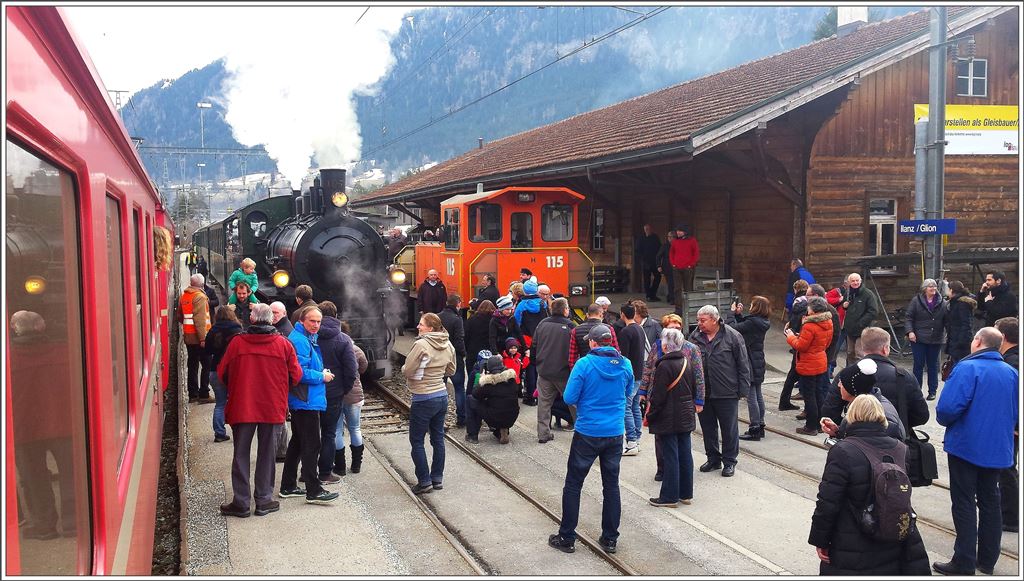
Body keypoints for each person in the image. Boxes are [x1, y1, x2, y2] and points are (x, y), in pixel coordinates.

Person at [808, 395, 931, 575]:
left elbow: (828, 502)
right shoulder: (901, 449)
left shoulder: (842, 451)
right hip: (893, 536)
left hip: (851, 542)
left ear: (852, 416)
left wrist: (820, 540)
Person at [934, 327, 1019, 576]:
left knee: (964, 502)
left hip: (967, 446)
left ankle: (964, 560)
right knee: (991, 501)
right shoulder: (1011, 372)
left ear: (978, 342)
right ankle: (987, 560)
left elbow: (948, 408)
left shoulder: (967, 368)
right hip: (997, 447)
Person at [548, 324, 634, 555]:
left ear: (594, 343)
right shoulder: (625, 364)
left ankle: (567, 537)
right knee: (611, 486)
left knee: (574, 484)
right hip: (615, 433)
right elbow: (627, 392)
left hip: (588, 432)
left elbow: (569, 397)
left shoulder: (584, 364)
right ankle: (610, 538)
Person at [217, 303, 303, 518]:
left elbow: (222, 373)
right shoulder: (283, 345)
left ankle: (241, 502)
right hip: (272, 407)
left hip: (242, 406)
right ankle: (264, 500)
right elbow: (296, 376)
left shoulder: (237, 343)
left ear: (252, 320)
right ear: (272, 320)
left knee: (241, 455)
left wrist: (238, 386)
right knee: (267, 454)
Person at [280, 305, 339, 505]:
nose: (316, 325)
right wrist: (322, 376)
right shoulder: (301, 341)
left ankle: (287, 486)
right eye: (312, 321)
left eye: (318, 322)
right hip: (306, 400)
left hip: (305, 399)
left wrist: (321, 370)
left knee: (297, 443)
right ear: (302, 321)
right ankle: (313, 490)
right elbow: (299, 373)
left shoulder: (304, 338)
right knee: (312, 444)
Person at [820, 329, 914, 442]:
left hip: (879, 446)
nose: (840, 385)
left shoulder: (849, 375)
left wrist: (848, 428)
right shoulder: (904, 376)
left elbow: (830, 409)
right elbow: (921, 415)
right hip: (892, 440)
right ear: (885, 348)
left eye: (842, 384)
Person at [688, 305, 750, 477]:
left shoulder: (732, 336)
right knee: (708, 428)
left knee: (729, 429)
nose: (698, 323)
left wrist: (743, 390)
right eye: (698, 320)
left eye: (702, 320)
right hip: (703, 392)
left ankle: (729, 461)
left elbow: (743, 364)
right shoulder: (695, 336)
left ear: (714, 320)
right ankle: (713, 458)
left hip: (727, 391)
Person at [646, 328, 705, 508]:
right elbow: (695, 384)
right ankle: (685, 493)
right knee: (685, 453)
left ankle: (669, 496)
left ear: (665, 345)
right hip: (686, 413)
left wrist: (651, 414)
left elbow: (659, 396)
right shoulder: (686, 361)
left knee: (670, 455)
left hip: (669, 415)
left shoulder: (664, 365)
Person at [401, 313, 456, 494]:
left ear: (430, 328)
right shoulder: (448, 344)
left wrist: (408, 370)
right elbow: (452, 369)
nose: (418, 326)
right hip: (441, 395)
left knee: (417, 440)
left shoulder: (421, 344)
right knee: (437, 438)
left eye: (421, 324)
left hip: (423, 396)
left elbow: (408, 370)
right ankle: (437, 478)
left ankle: (424, 482)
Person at [316, 301, 358, 485]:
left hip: (312, 390)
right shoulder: (343, 339)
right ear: (335, 315)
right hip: (334, 392)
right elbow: (352, 369)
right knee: (330, 433)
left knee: (309, 432)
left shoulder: (311, 336)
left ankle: (306, 471)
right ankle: (326, 471)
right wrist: (344, 388)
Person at [785, 297, 834, 437]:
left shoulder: (809, 325)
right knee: (819, 393)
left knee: (809, 395)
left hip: (808, 364)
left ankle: (811, 426)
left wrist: (790, 337)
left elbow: (801, 346)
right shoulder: (828, 321)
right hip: (821, 360)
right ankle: (819, 424)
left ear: (812, 309)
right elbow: (826, 342)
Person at [533, 298, 577, 443]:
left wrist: (537, 363)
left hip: (544, 371)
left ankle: (543, 434)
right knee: (574, 403)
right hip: (564, 373)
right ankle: (581, 433)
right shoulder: (570, 326)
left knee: (544, 404)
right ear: (565, 310)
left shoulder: (542, 324)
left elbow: (534, 345)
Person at [729, 296, 771, 441]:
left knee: (751, 396)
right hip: (758, 360)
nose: (750, 306)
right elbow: (744, 327)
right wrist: (739, 315)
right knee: (758, 394)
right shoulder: (761, 321)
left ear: (757, 307)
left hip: (751, 361)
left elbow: (732, 329)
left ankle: (754, 429)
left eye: (752, 304)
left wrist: (731, 313)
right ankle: (760, 425)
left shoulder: (753, 322)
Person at [333, 321, 369, 476]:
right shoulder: (356, 349)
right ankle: (356, 465)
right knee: (355, 429)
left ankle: (340, 467)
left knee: (337, 431)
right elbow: (364, 366)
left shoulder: (331, 347)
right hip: (354, 394)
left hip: (335, 393)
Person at [994, 317, 1019, 534]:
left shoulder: (1013, 363)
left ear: (1003, 336)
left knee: (1007, 468)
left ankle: (1011, 517)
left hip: (1012, 425)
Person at [905, 278, 948, 400]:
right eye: (930, 287)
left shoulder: (942, 302)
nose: (933, 289)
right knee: (918, 365)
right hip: (919, 338)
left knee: (933, 365)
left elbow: (946, 320)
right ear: (925, 289)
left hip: (936, 338)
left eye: (934, 286)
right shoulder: (916, 301)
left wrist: (948, 333)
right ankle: (917, 390)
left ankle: (932, 390)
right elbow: (909, 317)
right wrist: (910, 332)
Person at [206, 306, 243, 443]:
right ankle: (238, 431)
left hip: (215, 370)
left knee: (220, 403)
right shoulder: (237, 330)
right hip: (232, 371)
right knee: (234, 402)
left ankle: (219, 433)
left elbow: (207, 351)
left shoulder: (212, 331)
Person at [466, 356, 521, 444]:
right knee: (500, 403)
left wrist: (481, 379)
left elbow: (475, 394)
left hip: (495, 417)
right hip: (512, 416)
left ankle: (472, 435)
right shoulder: (511, 379)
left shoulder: (488, 383)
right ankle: (500, 432)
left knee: (470, 400)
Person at [178, 273, 214, 404]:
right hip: (200, 339)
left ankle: (193, 394)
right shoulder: (200, 297)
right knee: (207, 364)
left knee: (192, 365)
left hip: (189, 337)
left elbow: (180, 316)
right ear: (202, 284)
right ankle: (204, 393)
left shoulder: (185, 295)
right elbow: (200, 321)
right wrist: (203, 339)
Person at [616, 303, 647, 456]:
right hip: (639, 372)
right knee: (634, 406)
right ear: (634, 313)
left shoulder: (625, 331)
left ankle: (632, 441)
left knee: (626, 407)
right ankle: (637, 438)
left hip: (630, 375)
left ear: (622, 314)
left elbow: (624, 357)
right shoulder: (640, 329)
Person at [515, 280, 548, 406]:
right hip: (541, 339)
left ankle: (530, 396)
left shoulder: (522, 305)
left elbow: (517, 323)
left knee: (529, 367)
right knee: (541, 367)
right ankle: (541, 394)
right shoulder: (542, 304)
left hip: (526, 340)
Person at [439, 294, 468, 425]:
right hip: (454, 357)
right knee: (459, 388)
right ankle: (462, 419)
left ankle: (440, 420)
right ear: (458, 304)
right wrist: (463, 354)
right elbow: (459, 339)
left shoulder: (438, 317)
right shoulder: (457, 319)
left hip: (439, 357)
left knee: (440, 388)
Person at [841, 272, 879, 367]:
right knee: (850, 353)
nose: (855, 283)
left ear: (860, 281)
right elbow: (845, 306)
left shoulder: (868, 294)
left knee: (859, 354)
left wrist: (861, 323)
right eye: (853, 281)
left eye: (857, 280)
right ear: (849, 282)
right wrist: (844, 306)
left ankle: (860, 374)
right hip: (850, 329)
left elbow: (873, 311)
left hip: (862, 329)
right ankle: (849, 372)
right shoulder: (848, 293)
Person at [570, 303, 621, 368]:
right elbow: (616, 352)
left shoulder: (575, 330)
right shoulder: (609, 329)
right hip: (605, 367)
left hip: (585, 368)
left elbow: (572, 358)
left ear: (587, 315)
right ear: (601, 315)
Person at [945, 281, 977, 366]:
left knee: (959, 366)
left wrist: (959, 343)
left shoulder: (962, 304)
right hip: (955, 340)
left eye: (948, 290)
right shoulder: (955, 302)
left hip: (960, 343)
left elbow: (966, 324)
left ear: (951, 290)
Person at [669, 224, 700, 314]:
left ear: (685, 232)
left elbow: (696, 253)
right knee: (677, 289)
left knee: (688, 288)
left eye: (680, 231)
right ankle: (678, 309)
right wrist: (673, 264)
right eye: (677, 231)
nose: (678, 232)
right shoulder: (675, 242)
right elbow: (671, 253)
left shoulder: (692, 241)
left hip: (688, 268)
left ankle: (688, 307)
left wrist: (691, 264)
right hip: (677, 268)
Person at [637, 224, 662, 302]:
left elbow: (659, 248)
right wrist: (642, 260)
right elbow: (638, 250)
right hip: (645, 262)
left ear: (651, 229)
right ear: (644, 230)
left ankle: (652, 293)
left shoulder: (655, 237)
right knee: (647, 279)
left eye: (648, 229)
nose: (647, 230)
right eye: (646, 229)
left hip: (654, 262)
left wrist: (659, 260)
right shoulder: (641, 238)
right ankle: (648, 295)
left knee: (658, 277)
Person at [655, 231, 675, 302]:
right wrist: (658, 266)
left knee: (674, 284)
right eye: (668, 237)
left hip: (676, 267)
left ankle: (670, 297)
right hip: (667, 267)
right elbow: (658, 256)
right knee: (670, 283)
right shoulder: (665, 246)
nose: (669, 239)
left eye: (671, 237)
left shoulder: (677, 245)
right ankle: (671, 299)